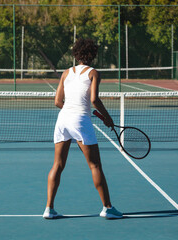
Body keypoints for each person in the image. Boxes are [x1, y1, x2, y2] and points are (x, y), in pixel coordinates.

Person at [43, 38, 123, 219]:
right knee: (95, 165)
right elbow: (94, 100)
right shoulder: (93, 73)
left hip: (62, 120)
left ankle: (49, 208)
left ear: (76, 54)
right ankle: (108, 208)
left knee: (57, 165)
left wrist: (71, 113)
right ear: (93, 54)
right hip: (80, 121)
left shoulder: (65, 72)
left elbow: (57, 102)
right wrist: (108, 118)